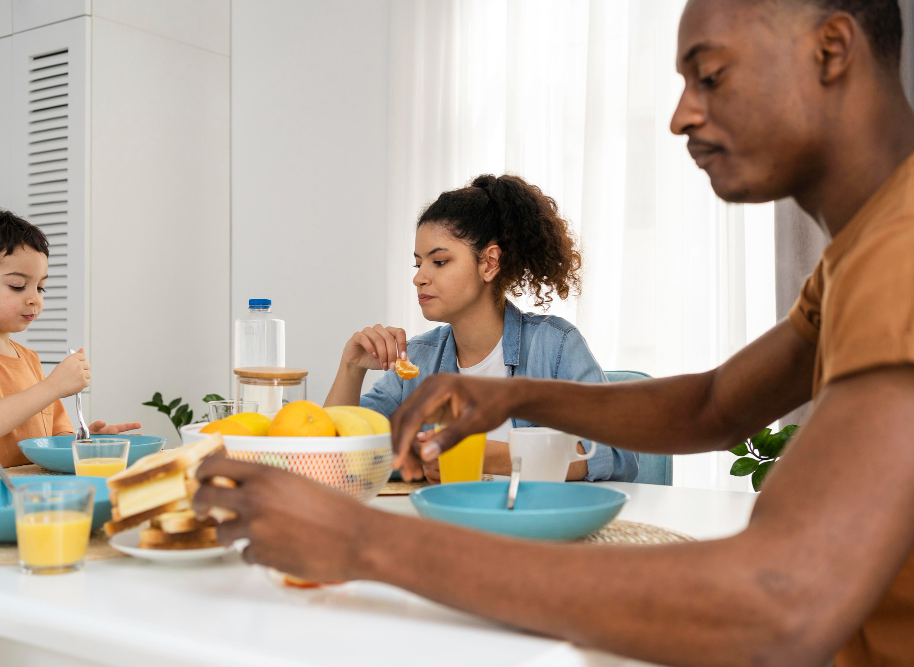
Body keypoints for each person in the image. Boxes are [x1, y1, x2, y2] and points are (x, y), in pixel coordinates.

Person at [194, 0, 914, 664]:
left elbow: (780, 602)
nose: (680, 115)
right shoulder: (855, 256)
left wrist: (360, 540)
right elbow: (714, 405)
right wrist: (515, 398)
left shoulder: (899, 250)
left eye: (710, 75)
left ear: (831, 49)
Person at [324, 174, 638, 482]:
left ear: (489, 263)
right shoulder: (418, 358)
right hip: (446, 524)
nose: (419, 277)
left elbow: (618, 453)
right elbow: (334, 458)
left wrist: (490, 457)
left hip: (534, 529)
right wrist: (351, 368)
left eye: (440, 261)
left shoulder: (555, 346)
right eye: (418, 263)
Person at [0, 208, 140, 476]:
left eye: (40, 287)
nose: (35, 299)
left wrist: (83, 443)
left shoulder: (28, 359)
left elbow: (52, 438)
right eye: (17, 286)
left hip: (25, 493)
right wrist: (52, 386)